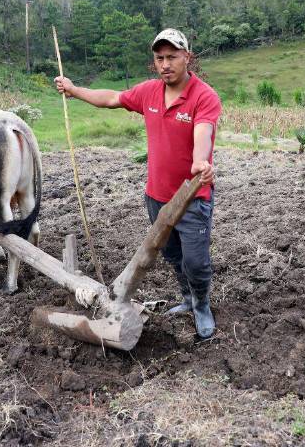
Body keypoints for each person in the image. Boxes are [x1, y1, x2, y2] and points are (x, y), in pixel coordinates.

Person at [54, 28, 222, 338]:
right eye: (160, 58)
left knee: (196, 261)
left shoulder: (204, 96)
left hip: (192, 198)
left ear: (187, 57)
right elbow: (111, 99)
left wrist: (201, 162)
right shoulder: (148, 92)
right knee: (172, 255)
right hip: (156, 197)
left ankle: (201, 304)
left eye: (172, 57)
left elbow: (204, 133)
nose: (165, 64)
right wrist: (75, 89)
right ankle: (187, 298)